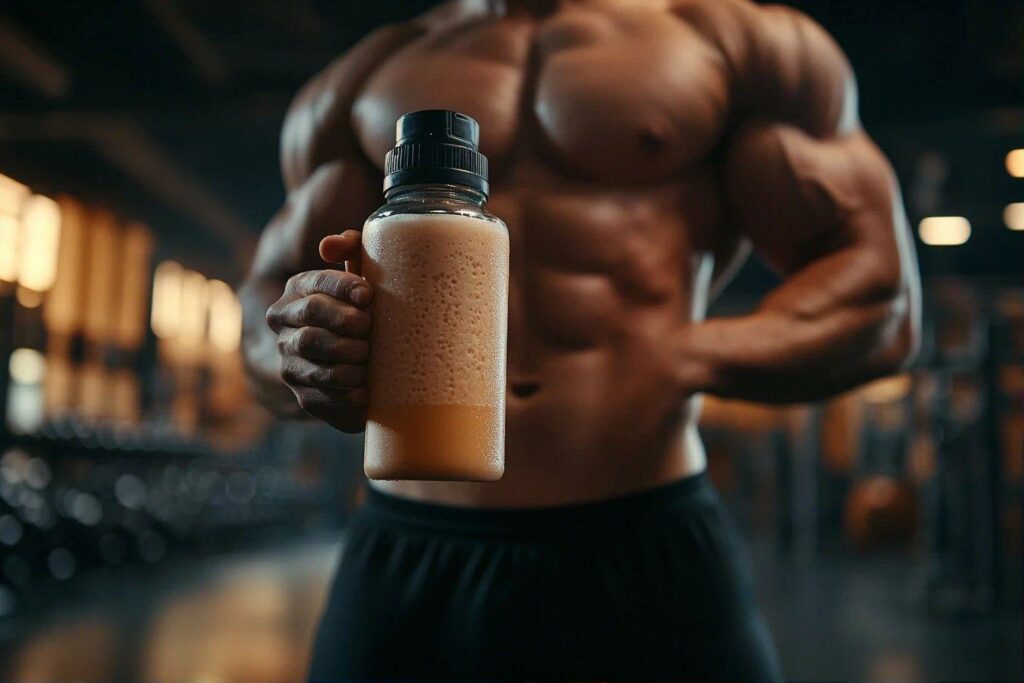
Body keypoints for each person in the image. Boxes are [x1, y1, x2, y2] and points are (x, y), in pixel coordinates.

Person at [240, 0, 921, 679]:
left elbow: (883, 299)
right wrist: (304, 345)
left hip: (643, 536)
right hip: (410, 542)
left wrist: (685, 355)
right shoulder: (368, 78)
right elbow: (263, 313)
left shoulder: (735, 46)